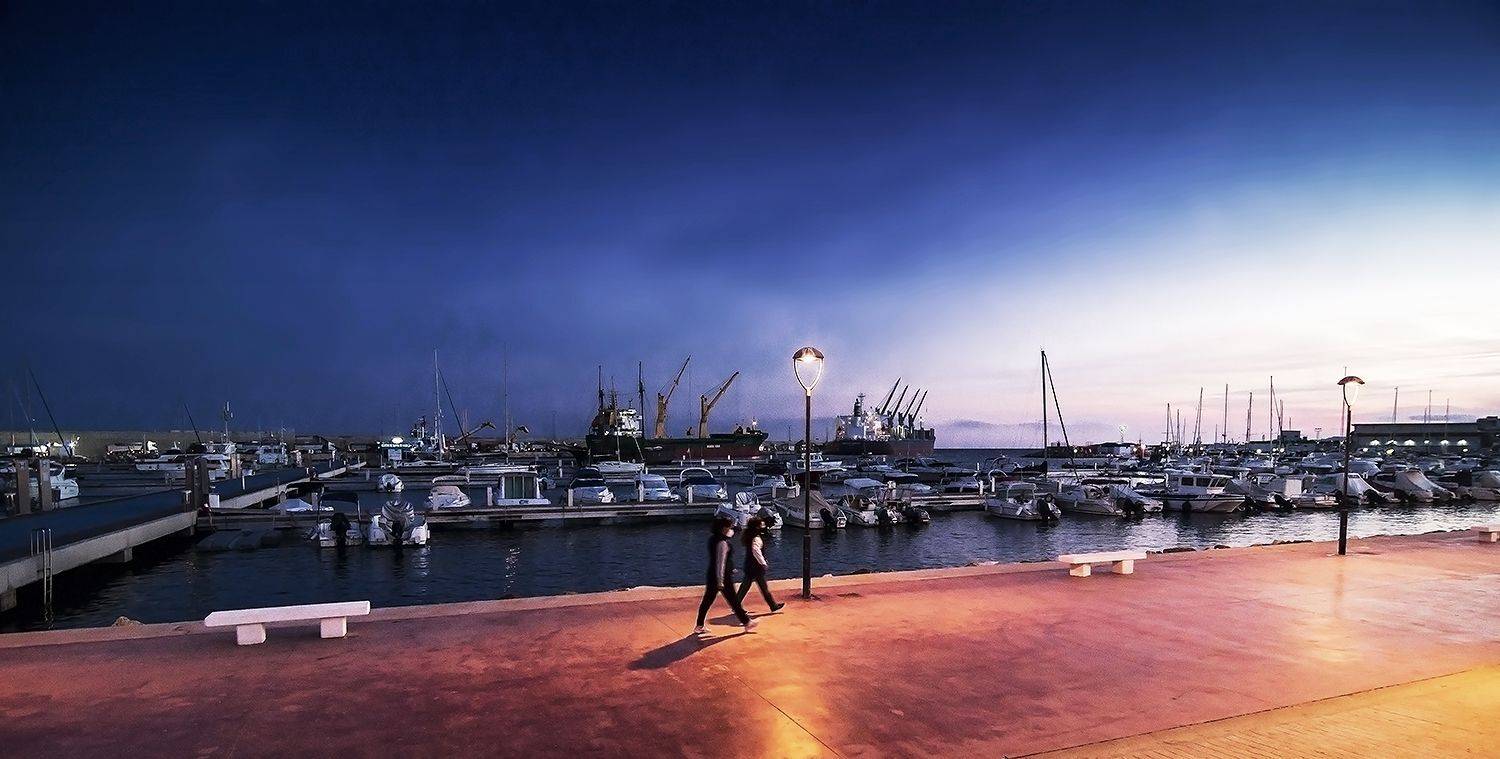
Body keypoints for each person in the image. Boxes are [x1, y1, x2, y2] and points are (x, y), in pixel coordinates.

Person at [694, 517, 756, 634]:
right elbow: (721, 562)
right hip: (722, 577)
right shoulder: (722, 543)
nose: (731, 529)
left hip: (713, 574)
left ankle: (699, 625)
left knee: (708, 600)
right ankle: (747, 623)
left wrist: (730, 569)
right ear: (724, 528)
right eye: (729, 527)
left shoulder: (713, 539)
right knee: (733, 600)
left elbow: (719, 561)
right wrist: (720, 580)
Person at [736, 518, 784, 612]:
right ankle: (773, 606)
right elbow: (756, 551)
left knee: (745, 587)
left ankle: (773, 606)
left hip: (749, 565)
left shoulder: (749, 536)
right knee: (761, 587)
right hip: (756, 567)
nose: (763, 527)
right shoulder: (756, 538)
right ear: (757, 527)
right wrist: (763, 563)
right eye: (761, 525)